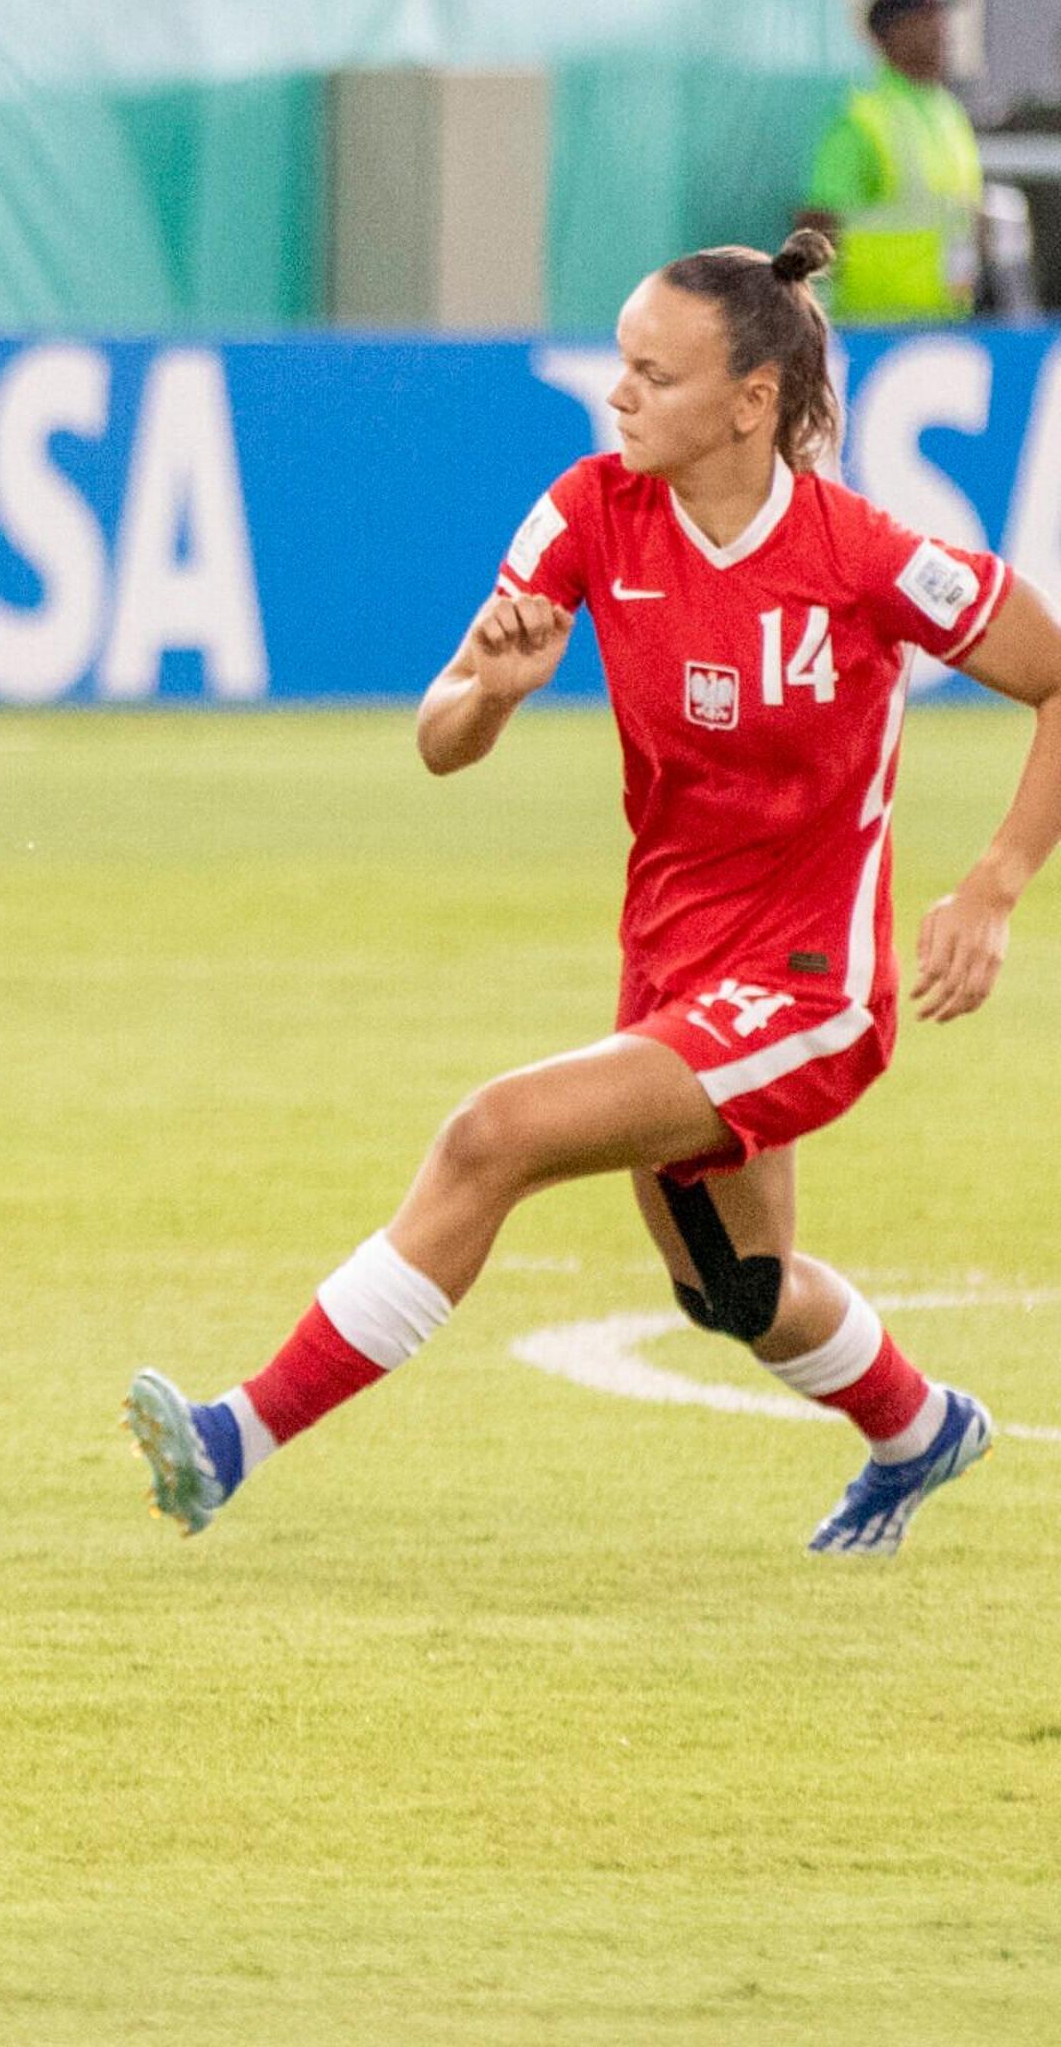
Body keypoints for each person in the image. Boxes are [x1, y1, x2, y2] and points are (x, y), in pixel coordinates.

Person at [128, 230, 1061, 1555]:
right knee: (735, 1290)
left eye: (650, 373)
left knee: (491, 1135)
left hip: (813, 988)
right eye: (618, 366)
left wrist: (993, 884)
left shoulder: (865, 559)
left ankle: (233, 1438)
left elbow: (1055, 678)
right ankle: (921, 1429)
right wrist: (492, 695)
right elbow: (438, 735)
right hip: (676, 971)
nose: (617, 394)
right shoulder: (586, 512)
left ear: (750, 402)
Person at [801, 0, 987, 324]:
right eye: (926, 19)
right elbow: (817, 220)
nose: (942, 31)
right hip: (874, 324)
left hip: (947, 319)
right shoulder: (863, 114)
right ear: (891, 34)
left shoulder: (947, 110)